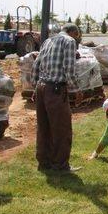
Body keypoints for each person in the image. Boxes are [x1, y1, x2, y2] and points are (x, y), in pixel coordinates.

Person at [31, 23, 83, 173]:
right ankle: (60, 165)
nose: (77, 39)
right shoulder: (69, 42)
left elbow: (36, 65)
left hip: (42, 88)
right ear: (73, 32)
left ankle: (44, 162)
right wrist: (77, 90)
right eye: (77, 36)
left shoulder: (48, 41)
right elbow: (69, 68)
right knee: (61, 129)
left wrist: (36, 87)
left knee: (44, 128)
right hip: (55, 90)